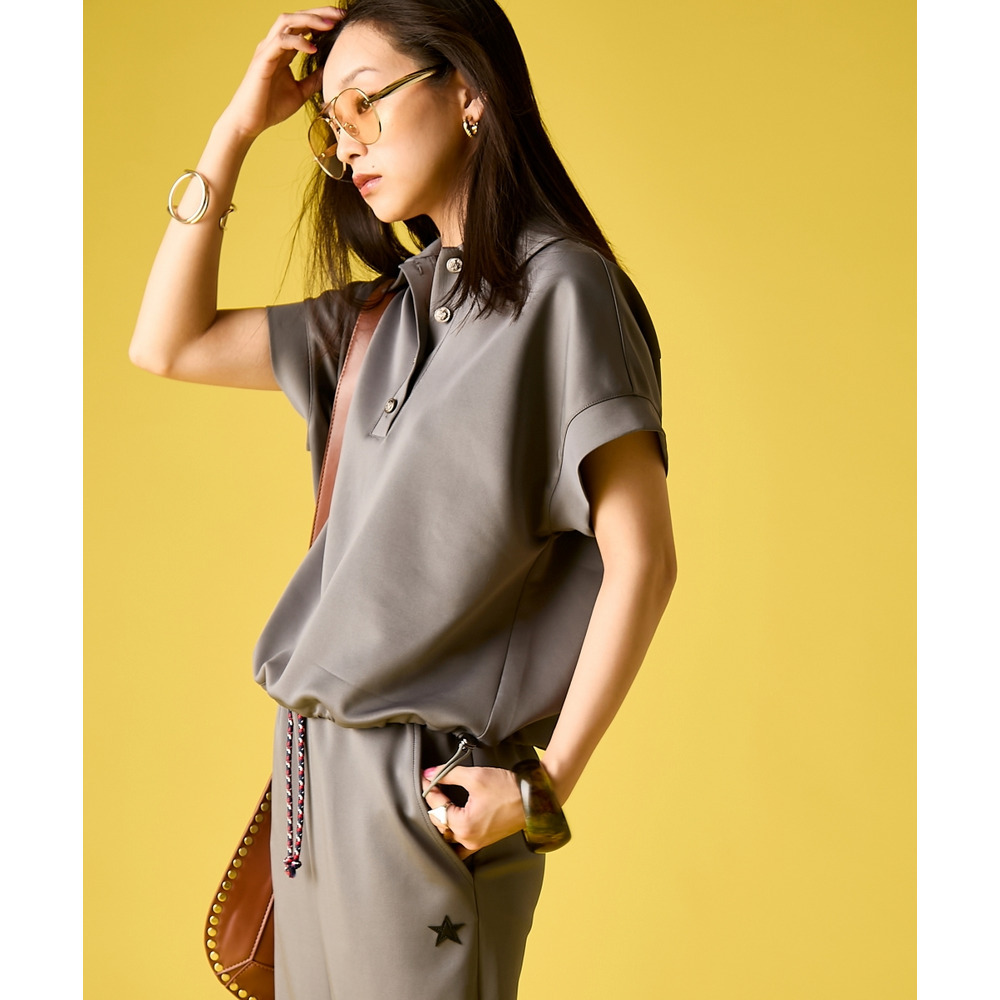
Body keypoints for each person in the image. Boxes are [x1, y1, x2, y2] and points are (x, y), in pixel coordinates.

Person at [129, 1, 677, 997]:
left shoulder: (567, 293)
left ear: (467, 91)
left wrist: (544, 785)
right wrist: (235, 128)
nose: (346, 146)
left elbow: (642, 558)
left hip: (428, 791)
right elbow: (167, 343)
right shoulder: (380, 315)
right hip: (310, 781)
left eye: (366, 104)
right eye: (331, 125)